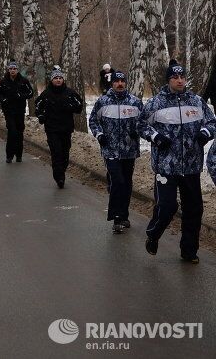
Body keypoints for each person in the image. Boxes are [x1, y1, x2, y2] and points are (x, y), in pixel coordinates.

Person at [139, 64, 216, 263]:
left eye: (182, 76)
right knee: (167, 206)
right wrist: (156, 137)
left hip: (190, 166)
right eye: (175, 77)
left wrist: (205, 133)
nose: (179, 80)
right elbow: (140, 125)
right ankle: (153, 234)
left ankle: (188, 250)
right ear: (168, 79)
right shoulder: (156, 103)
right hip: (166, 166)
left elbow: (212, 122)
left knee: (194, 209)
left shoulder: (197, 101)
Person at [89, 71, 143, 233]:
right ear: (111, 83)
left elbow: (144, 122)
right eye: (116, 81)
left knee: (126, 183)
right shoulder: (103, 102)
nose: (120, 84)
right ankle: (116, 218)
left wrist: (137, 132)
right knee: (117, 181)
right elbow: (93, 121)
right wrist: (100, 135)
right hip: (110, 149)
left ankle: (124, 215)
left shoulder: (135, 102)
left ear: (126, 83)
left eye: (122, 81)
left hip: (129, 150)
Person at [35, 68, 83, 188]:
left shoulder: (70, 93)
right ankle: (59, 177)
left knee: (65, 154)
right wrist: (41, 116)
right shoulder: (46, 94)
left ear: (63, 79)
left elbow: (79, 106)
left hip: (66, 128)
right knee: (56, 152)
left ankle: (61, 170)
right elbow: (38, 106)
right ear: (51, 80)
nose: (58, 80)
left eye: (60, 78)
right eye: (55, 78)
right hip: (52, 128)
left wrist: (69, 106)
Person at [0, 61, 34, 163]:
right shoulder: (4, 81)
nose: (12, 71)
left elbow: (31, 92)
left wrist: (21, 96)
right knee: (12, 131)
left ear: (17, 70)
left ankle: (19, 155)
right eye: (11, 69)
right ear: (8, 70)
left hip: (20, 111)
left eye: (14, 69)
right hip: (8, 111)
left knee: (19, 132)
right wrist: (3, 100)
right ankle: (9, 155)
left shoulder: (23, 81)